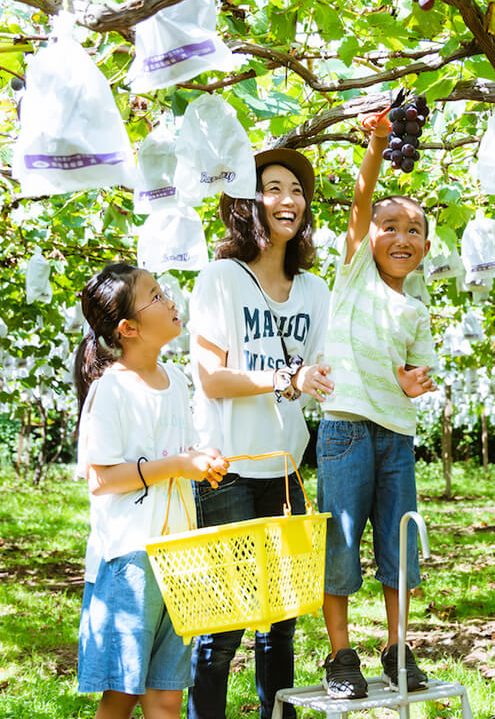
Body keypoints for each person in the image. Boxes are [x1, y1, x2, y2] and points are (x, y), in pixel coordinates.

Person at [187, 148, 335, 719]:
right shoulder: (221, 278)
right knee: (223, 624)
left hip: (285, 468)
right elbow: (211, 377)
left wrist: (309, 382)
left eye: (296, 191)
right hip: (225, 469)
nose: (288, 200)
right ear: (249, 204)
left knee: (281, 622)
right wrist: (283, 378)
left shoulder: (314, 291)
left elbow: (307, 377)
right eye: (273, 188)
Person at [72, 262, 229, 719]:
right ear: (129, 328)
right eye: (156, 296)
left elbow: (177, 451)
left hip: (179, 553)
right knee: (121, 693)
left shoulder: (176, 381)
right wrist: (177, 465)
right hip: (130, 559)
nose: (170, 301)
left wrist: (199, 460)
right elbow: (101, 477)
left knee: (166, 695)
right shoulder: (111, 390)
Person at [315, 111, 437, 699]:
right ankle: (341, 655)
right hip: (344, 429)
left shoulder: (416, 311)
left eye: (413, 231)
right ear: (370, 238)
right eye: (390, 227)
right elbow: (360, 204)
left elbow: (419, 374)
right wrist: (378, 144)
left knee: (399, 542)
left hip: (396, 436)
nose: (401, 238)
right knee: (340, 543)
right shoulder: (354, 276)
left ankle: (397, 647)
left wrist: (415, 385)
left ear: (426, 248)